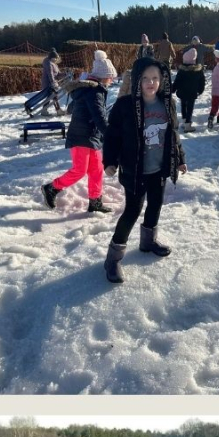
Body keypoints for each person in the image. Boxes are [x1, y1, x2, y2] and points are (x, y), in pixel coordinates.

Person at [101, 58, 187, 283]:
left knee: (156, 204)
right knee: (132, 211)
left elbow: (174, 133)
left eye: (155, 78)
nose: (151, 83)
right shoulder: (124, 105)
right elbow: (112, 136)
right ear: (138, 80)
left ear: (162, 80)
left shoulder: (167, 103)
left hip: (159, 168)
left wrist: (179, 158)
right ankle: (113, 259)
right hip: (135, 170)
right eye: (146, 78)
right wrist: (109, 161)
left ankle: (148, 241)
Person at [41, 50, 117, 214]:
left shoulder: (91, 89)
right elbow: (99, 117)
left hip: (91, 136)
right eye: (110, 76)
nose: (112, 80)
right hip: (81, 136)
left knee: (97, 168)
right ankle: (51, 188)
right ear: (104, 76)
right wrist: (111, 136)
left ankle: (95, 201)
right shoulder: (94, 92)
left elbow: (77, 109)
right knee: (80, 170)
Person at [173, 46, 206, 131]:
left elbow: (177, 81)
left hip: (182, 92)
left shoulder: (182, 71)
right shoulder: (198, 71)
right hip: (192, 92)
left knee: (183, 105)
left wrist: (172, 89)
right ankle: (188, 124)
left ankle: (184, 121)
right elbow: (202, 82)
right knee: (190, 108)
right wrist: (200, 90)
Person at [24, 48, 63, 117]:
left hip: (52, 83)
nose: (56, 60)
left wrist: (65, 74)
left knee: (51, 97)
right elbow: (50, 74)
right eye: (55, 58)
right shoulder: (48, 63)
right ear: (52, 57)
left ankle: (53, 110)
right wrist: (53, 82)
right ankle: (55, 110)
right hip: (48, 83)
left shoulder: (54, 64)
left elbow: (58, 74)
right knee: (52, 96)